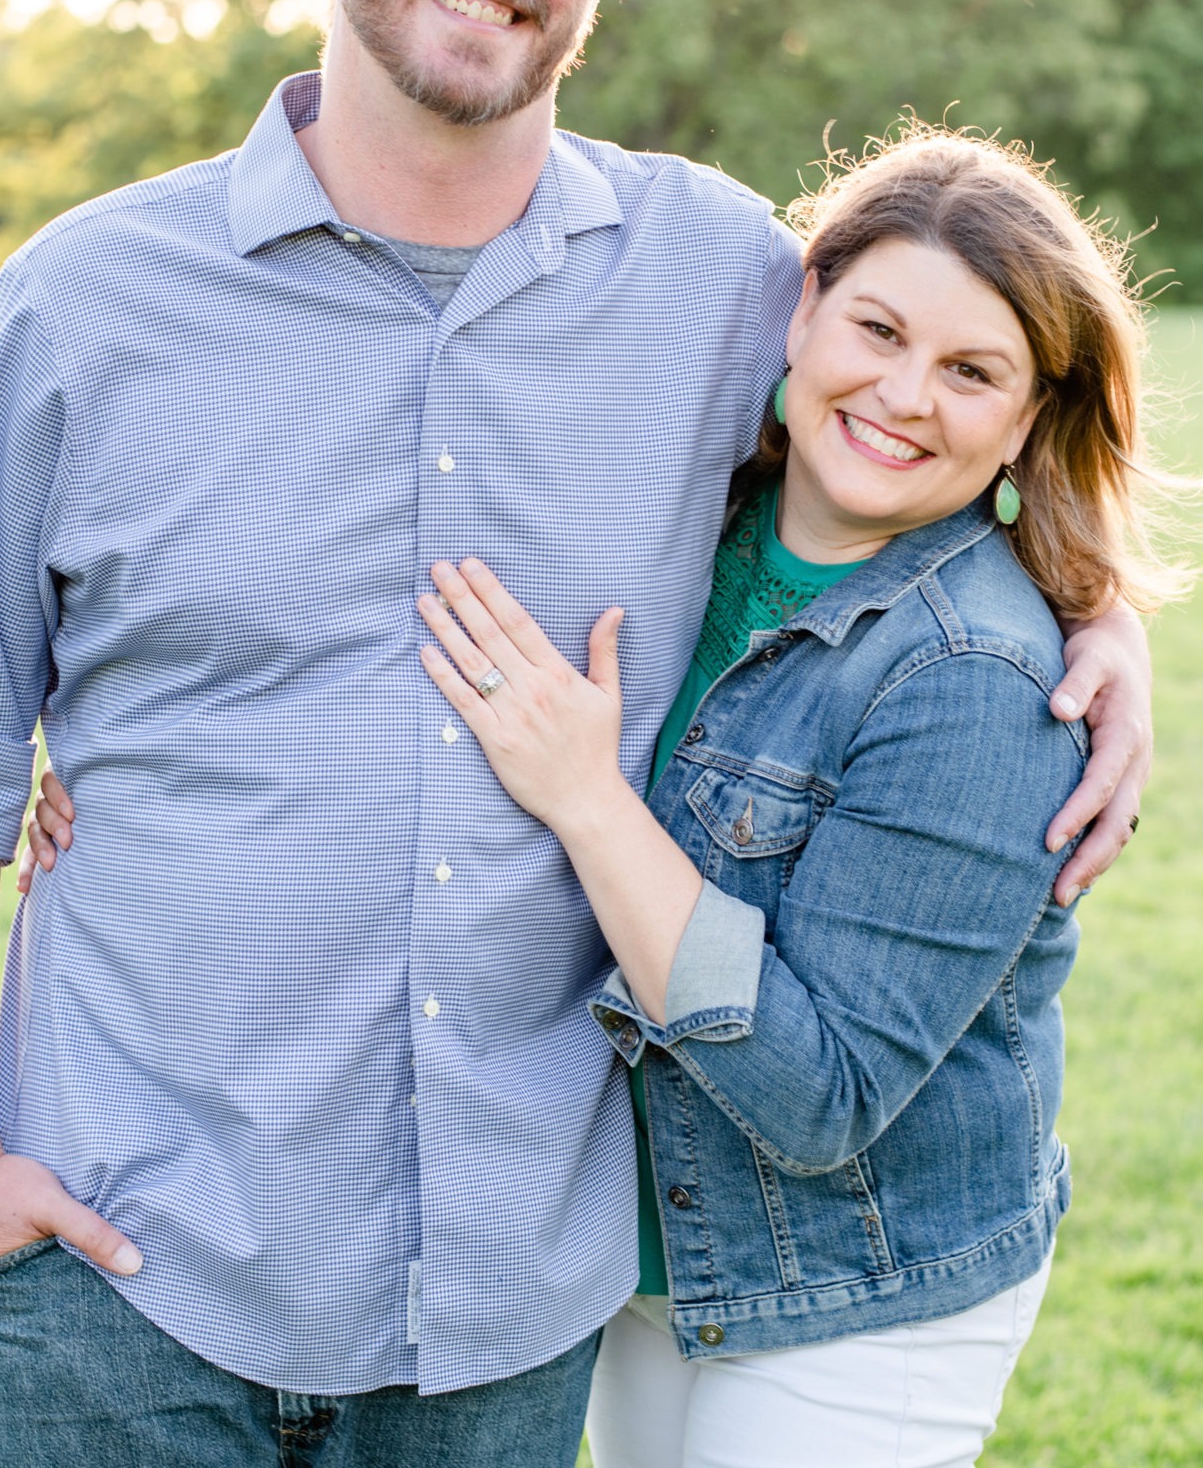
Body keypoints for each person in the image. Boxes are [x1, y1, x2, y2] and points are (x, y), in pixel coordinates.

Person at [0, 0, 1149, 1468]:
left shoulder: (714, 278)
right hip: (117, 1267)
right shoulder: (84, 305)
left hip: (510, 1312)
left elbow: (928, 401)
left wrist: (1095, 615)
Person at [407, 127, 1183, 1468]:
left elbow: (824, 1094)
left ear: (1028, 416)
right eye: (877, 328)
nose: (904, 395)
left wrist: (592, 803)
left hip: (861, 1280)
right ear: (800, 306)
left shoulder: (976, 675)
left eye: (971, 371)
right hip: (653, 1244)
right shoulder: (683, 523)